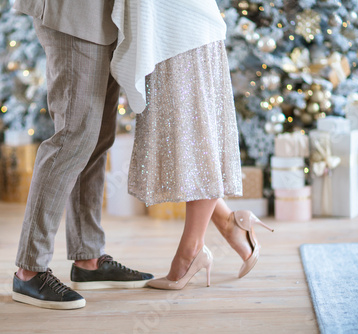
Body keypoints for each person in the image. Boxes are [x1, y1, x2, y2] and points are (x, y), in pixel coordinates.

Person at [110, 0, 274, 290]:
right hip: (176, 28)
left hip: (184, 31)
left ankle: (191, 251)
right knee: (187, 141)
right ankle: (230, 224)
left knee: (195, 139)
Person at [10, 0, 153, 310]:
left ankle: (88, 257)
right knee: (73, 137)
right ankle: (29, 269)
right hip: (74, 12)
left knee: (99, 137)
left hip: (108, 17)